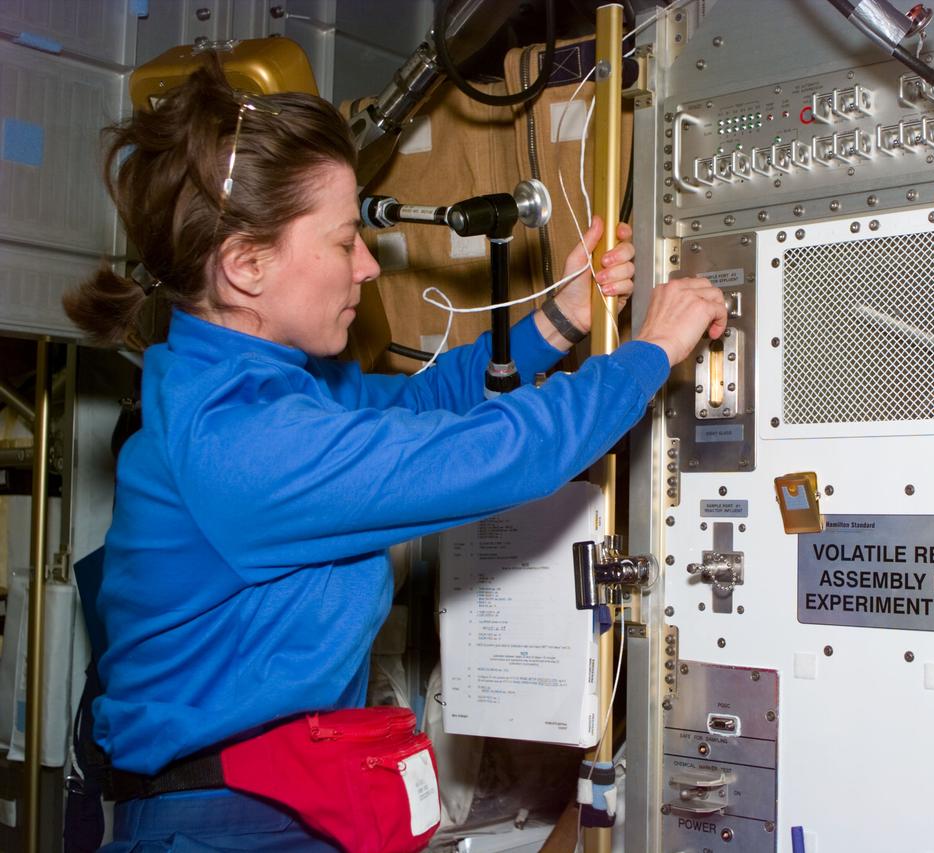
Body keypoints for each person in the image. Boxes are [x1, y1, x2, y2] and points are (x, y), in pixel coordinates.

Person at [64, 61, 726, 851]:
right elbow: (489, 457)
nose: (369, 266)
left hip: (282, 794)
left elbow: (417, 407)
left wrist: (562, 317)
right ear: (246, 265)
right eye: (345, 241)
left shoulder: (258, 387)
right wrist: (648, 353)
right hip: (229, 823)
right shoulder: (241, 444)